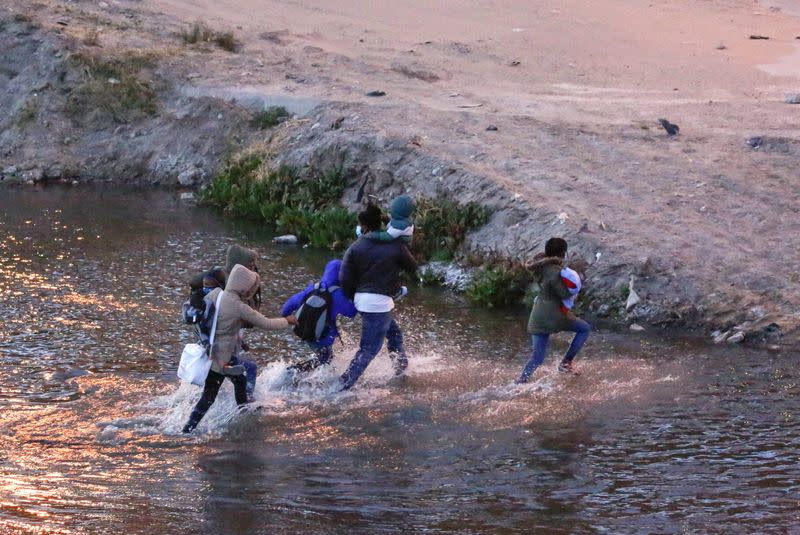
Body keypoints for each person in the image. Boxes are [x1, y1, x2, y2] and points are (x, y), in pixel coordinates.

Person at [183, 264, 295, 433]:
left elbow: (218, 322)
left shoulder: (216, 294)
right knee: (209, 397)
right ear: (244, 287)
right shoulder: (239, 306)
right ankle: (188, 430)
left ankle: (241, 413)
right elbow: (267, 324)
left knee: (237, 381)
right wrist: (288, 320)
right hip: (219, 359)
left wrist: (239, 342)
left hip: (210, 351)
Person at [338, 204, 418, 390]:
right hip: (380, 302)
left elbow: (344, 277)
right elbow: (412, 266)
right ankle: (342, 386)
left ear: (363, 226)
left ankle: (401, 372)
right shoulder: (395, 245)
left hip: (365, 301)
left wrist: (353, 298)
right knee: (369, 349)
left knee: (394, 334)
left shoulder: (356, 247)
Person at [516, 237, 591, 383]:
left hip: (537, 315)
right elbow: (564, 293)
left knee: (537, 358)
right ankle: (566, 363)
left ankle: (520, 383)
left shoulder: (539, 267)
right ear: (563, 253)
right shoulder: (555, 271)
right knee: (584, 329)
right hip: (555, 314)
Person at [280, 259, 358, 375]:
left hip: (306, 331)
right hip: (323, 335)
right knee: (325, 362)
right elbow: (351, 313)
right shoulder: (338, 295)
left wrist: (288, 317)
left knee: (324, 360)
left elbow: (286, 308)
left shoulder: (312, 289)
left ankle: (297, 375)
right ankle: (291, 373)